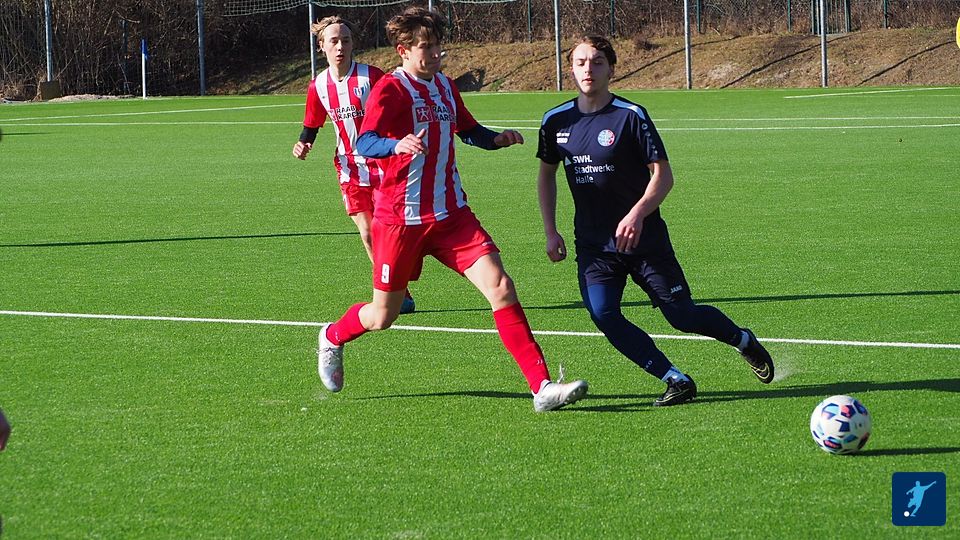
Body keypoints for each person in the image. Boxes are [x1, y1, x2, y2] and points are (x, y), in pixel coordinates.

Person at [315, 7, 588, 412]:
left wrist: (496, 140)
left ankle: (542, 387)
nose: (435, 54)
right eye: (426, 47)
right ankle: (332, 336)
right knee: (383, 316)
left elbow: (468, 130)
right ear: (403, 51)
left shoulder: (444, 85)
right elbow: (365, 141)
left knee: (501, 286)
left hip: (451, 215)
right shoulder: (390, 89)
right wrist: (396, 144)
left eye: (438, 46)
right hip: (400, 220)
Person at [536, 35, 774, 407]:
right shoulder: (555, 121)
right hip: (595, 246)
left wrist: (637, 213)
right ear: (571, 69)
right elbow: (546, 175)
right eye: (580, 62)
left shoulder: (630, 115)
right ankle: (674, 378)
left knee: (682, 316)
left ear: (611, 69)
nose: (588, 69)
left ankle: (743, 340)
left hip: (644, 240)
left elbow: (663, 176)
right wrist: (551, 231)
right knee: (603, 313)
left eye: (597, 62)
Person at [292, 15, 415, 314]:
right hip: (349, 168)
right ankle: (398, 293)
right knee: (368, 232)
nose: (340, 47)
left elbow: (398, 106)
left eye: (345, 41)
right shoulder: (318, 86)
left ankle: (400, 273)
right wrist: (303, 143)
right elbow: (312, 123)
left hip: (384, 164)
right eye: (334, 41)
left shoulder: (371, 77)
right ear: (322, 46)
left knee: (392, 230)